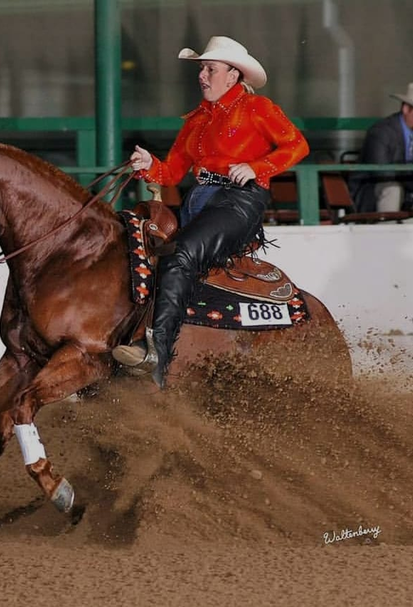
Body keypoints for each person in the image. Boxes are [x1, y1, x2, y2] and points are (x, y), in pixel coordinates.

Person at [112, 35, 310, 388]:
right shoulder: (196, 120)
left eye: (210, 69)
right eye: (202, 69)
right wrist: (147, 164)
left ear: (233, 75)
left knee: (180, 254)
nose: (202, 76)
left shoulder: (258, 108)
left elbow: (297, 144)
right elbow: (171, 172)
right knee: (144, 252)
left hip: (240, 199)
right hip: (200, 199)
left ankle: (158, 356)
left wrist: (257, 167)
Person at [349, 82, 413, 217]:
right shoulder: (381, 131)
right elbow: (381, 172)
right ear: (406, 109)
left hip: (411, 190)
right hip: (373, 190)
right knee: (392, 189)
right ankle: (388, 232)